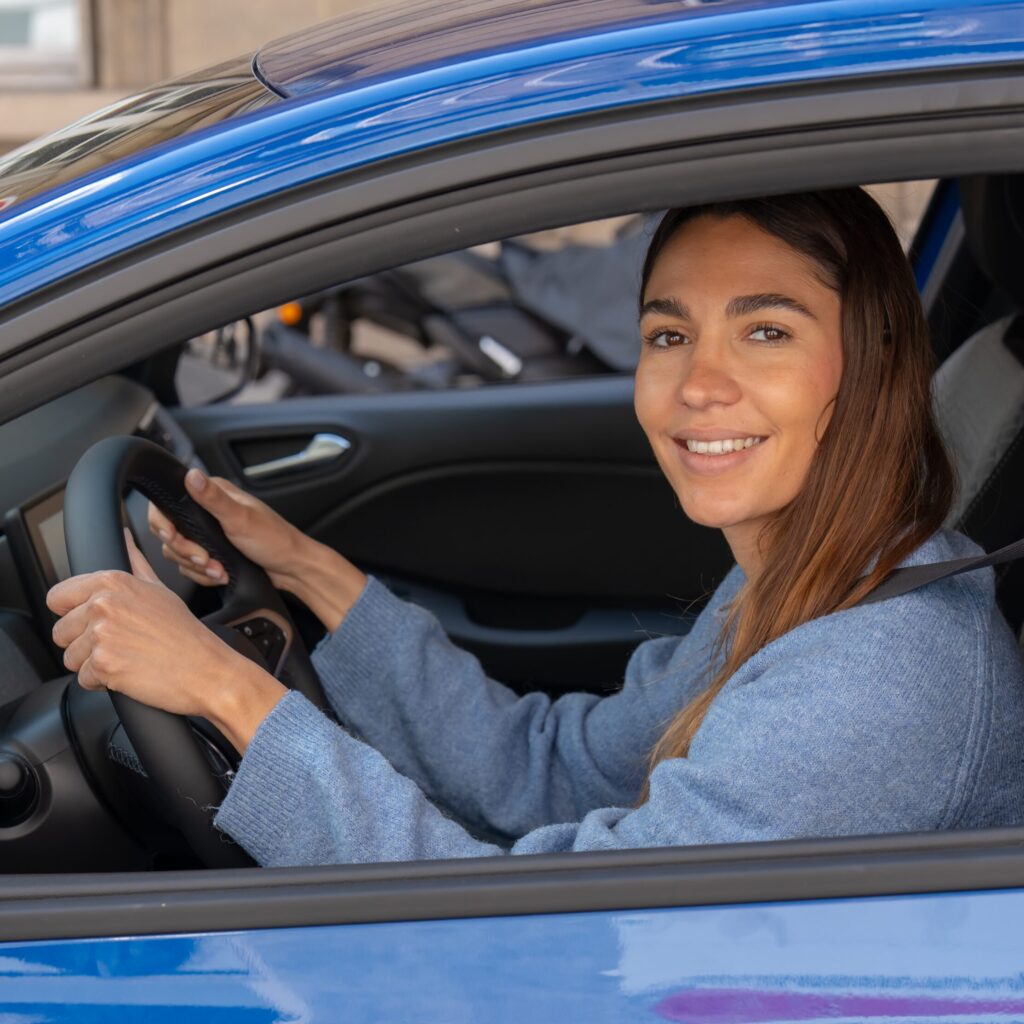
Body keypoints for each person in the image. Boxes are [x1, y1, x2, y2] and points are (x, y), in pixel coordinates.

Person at [46, 188, 1024, 867]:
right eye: (668, 334)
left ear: (871, 365)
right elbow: (555, 768)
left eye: (765, 329)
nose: (698, 384)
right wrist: (303, 569)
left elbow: (553, 946)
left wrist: (225, 689)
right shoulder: (806, 578)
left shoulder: (874, 677)